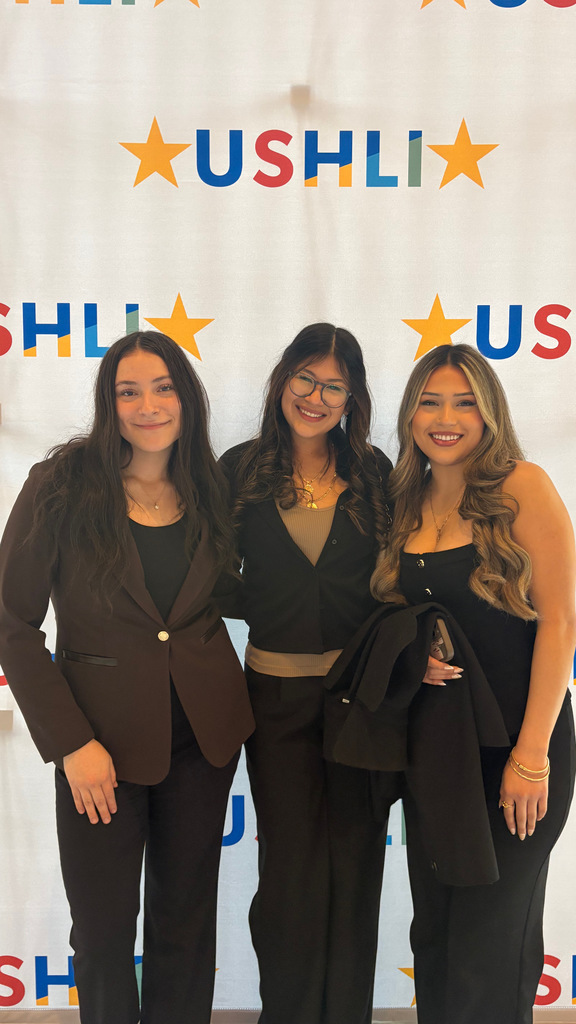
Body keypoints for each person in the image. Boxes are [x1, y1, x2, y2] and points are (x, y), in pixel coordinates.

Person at [0, 330, 254, 1024]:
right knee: (105, 928)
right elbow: (13, 623)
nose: (148, 405)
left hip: (203, 742)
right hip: (98, 748)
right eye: (129, 391)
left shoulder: (212, 486)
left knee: (184, 923)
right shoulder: (62, 485)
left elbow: (232, 598)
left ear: (187, 399)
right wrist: (71, 745)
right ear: (108, 404)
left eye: (163, 386)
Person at [371, 342, 576, 1024]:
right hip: (439, 751)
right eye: (430, 401)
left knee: (492, 945)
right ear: (409, 416)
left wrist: (532, 757)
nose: (446, 417)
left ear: (489, 414)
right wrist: (413, 652)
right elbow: (401, 617)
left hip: (519, 748)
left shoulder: (523, 486)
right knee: (435, 935)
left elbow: (561, 625)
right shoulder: (404, 501)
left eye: (464, 402)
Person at [219, 322, 393, 1024]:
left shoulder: (376, 473)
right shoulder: (238, 468)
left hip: (363, 702)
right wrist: (264, 600)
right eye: (306, 379)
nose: (317, 397)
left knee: (355, 871)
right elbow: (204, 570)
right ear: (282, 380)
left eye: (335, 387)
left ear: (352, 399)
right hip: (275, 701)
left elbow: (398, 577)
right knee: (288, 875)